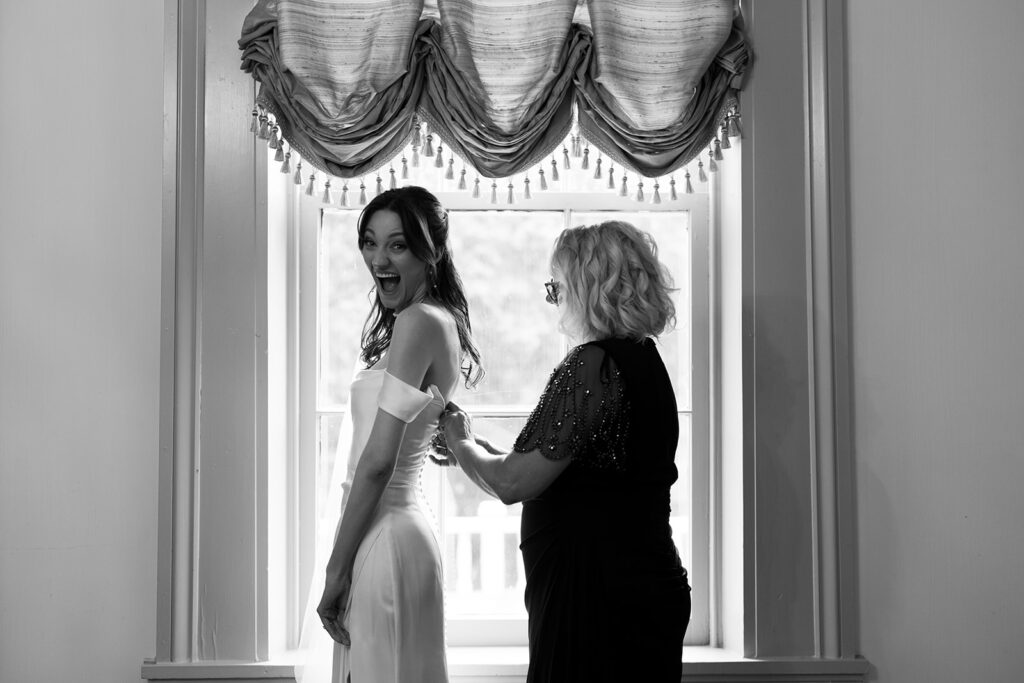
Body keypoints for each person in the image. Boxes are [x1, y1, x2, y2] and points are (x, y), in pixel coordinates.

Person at [440, 220, 691, 682]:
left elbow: (513, 482)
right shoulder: (646, 361)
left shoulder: (593, 364)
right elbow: (574, 474)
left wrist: (457, 436)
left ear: (587, 287)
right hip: (641, 584)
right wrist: (472, 452)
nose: (554, 301)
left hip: (597, 597)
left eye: (557, 287)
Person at [316, 186, 482, 683]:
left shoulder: (416, 321)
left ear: (429, 252)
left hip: (384, 541)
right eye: (370, 242)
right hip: (400, 538)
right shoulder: (439, 322)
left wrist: (335, 572)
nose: (378, 258)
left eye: (397, 245)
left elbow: (376, 463)